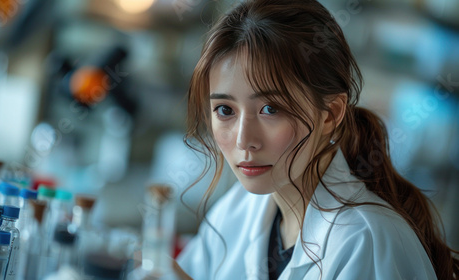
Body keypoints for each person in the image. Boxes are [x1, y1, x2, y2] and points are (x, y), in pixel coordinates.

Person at [174, 0, 459, 279]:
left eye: (271, 109)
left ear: (330, 115)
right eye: (225, 110)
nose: (243, 141)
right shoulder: (237, 210)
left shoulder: (363, 242)